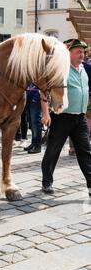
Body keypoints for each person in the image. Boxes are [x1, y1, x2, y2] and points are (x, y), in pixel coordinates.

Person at [41, 38, 91, 197]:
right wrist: (46, 113)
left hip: (80, 118)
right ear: (68, 54)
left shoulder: (84, 69)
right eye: (78, 52)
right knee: (53, 150)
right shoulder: (60, 70)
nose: (81, 55)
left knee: (86, 152)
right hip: (62, 117)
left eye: (83, 52)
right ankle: (47, 181)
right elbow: (44, 91)